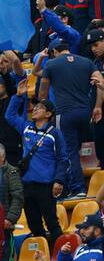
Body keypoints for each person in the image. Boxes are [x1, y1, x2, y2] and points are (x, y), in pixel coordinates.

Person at [4, 83, 66, 245]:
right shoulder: (26, 128)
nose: (35, 109)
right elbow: (9, 116)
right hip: (27, 184)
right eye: (35, 106)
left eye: (39, 107)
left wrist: (59, 180)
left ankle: (62, 256)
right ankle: (45, 254)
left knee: (52, 222)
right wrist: (18, 96)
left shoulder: (55, 134)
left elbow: (63, 159)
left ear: (48, 113)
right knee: (33, 224)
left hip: (46, 186)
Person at [0, 144, 22, 261]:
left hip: (4, 225)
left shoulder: (11, 172)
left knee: (5, 260)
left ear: (2, 157)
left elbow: (17, 197)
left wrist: (10, 218)